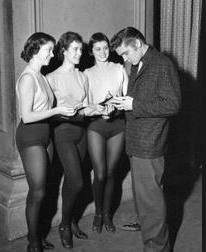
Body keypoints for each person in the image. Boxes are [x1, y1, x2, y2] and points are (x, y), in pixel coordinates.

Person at [110, 27, 181, 252]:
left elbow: (173, 104)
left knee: (152, 203)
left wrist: (134, 105)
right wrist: (122, 103)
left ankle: (157, 248)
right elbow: (141, 97)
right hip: (137, 140)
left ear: (137, 45)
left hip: (149, 143)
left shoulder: (161, 64)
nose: (124, 58)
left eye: (125, 53)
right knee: (146, 199)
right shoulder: (137, 63)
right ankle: (151, 234)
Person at [16, 32, 75, 252]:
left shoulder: (40, 75)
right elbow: (27, 116)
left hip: (45, 135)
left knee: (45, 189)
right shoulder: (28, 78)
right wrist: (58, 109)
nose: (52, 54)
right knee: (37, 192)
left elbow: (45, 111)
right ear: (35, 51)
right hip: (30, 136)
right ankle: (33, 242)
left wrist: (68, 111)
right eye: (48, 50)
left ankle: (38, 236)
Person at [46, 31, 103, 249]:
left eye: (81, 49)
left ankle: (69, 221)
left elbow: (86, 105)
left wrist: (97, 108)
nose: (80, 53)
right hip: (63, 132)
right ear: (63, 51)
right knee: (78, 181)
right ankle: (64, 226)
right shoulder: (51, 78)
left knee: (73, 181)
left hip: (81, 132)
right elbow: (48, 111)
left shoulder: (82, 76)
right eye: (75, 49)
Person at [83, 32, 128, 234]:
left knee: (111, 173)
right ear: (91, 51)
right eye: (98, 49)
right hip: (96, 126)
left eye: (106, 47)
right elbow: (84, 106)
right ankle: (98, 213)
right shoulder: (86, 74)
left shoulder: (119, 69)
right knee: (100, 174)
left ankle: (107, 214)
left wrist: (115, 108)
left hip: (118, 125)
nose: (103, 52)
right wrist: (100, 108)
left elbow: (127, 99)